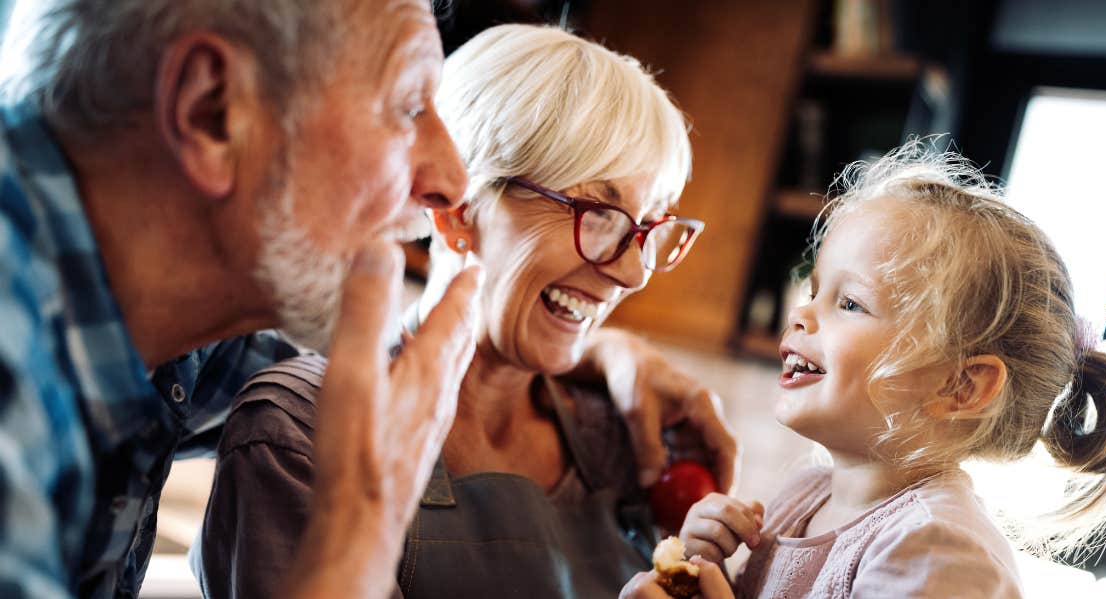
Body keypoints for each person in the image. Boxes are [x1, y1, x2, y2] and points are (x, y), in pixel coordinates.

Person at [0, 3, 735, 598]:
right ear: (213, 110)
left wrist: (590, 341)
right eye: (407, 102)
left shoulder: (180, 346)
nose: (450, 178)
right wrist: (359, 538)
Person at [193, 24, 714, 599]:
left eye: (648, 228)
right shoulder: (301, 431)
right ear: (461, 212)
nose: (633, 271)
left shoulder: (616, 438)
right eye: (597, 214)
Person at [622, 140, 1106, 598]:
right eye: (813, 291)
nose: (801, 314)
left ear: (961, 386)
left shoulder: (940, 550)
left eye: (850, 303)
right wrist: (695, 571)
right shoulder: (807, 495)